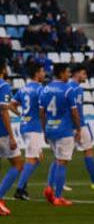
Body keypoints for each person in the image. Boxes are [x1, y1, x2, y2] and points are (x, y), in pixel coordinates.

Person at [39, 63, 79, 206]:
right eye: (67, 72)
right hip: (64, 130)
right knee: (63, 162)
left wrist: (44, 130)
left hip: (50, 128)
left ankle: (49, 188)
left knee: (57, 159)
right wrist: (79, 129)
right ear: (62, 73)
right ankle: (58, 196)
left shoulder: (45, 89)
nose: (68, 75)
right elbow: (74, 112)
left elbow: (41, 113)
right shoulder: (68, 89)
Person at [9, 62, 45, 201]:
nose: (44, 74)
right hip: (34, 126)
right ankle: (20, 189)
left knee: (36, 158)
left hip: (24, 125)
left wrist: (20, 115)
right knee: (33, 158)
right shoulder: (41, 89)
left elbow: (11, 105)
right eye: (42, 71)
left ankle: (23, 186)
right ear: (36, 73)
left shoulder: (24, 88)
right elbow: (43, 110)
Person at [0, 60, 23, 215]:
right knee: (17, 165)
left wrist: (20, 113)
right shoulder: (4, 86)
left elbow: (7, 106)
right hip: (1, 133)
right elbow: (4, 111)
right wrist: (12, 136)